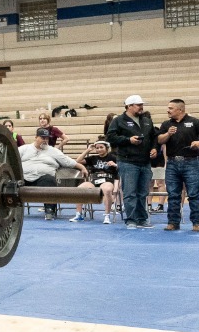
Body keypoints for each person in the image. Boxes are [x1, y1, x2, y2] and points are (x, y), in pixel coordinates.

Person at [106, 95, 157, 229]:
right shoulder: (118, 121)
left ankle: (142, 218)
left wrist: (154, 148)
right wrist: (128, 140)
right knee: (130, 192)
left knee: (142, 192)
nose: (141, 107)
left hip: (145, 161)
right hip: (128, 161)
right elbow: (110, 137)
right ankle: (131, 220)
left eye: (141, 104)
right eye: (138, 104)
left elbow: (154, 137)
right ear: (129, 106)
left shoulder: (146, 120)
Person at [19, 128, 88, 220]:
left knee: (49, 179)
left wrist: (82, 167)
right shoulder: (24, 149)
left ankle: (49, 210)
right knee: (12, 181)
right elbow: (11, 159)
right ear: (36, 137)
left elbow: (68, 162)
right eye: (42, 138)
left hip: (42, 179)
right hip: (24, 178)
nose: (45, 140)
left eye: (47, 138)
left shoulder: (53, 151)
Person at [157, 99, 199, 231]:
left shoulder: (194, 122)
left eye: (171, 108)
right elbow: (159, 140)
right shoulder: (166, 124)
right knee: (173, 194)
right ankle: (173, 222)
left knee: (194, 194)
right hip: (172, 163)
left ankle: (196, 223)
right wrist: (168, 134)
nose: (168, 110)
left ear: (180, 109)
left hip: (191, 161)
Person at [69, 140, 118, 224]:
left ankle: (107, 215)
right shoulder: (93, 158)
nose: (99, 149)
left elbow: (123, 169)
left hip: (107, 180)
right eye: (97, 148)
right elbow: (77, 161)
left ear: (107, 148)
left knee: (106, 189)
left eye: (101, 147)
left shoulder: (113, 157)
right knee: (79, 189)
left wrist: (115, 165)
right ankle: (79, 214)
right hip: (94, 181)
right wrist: (87, 150)